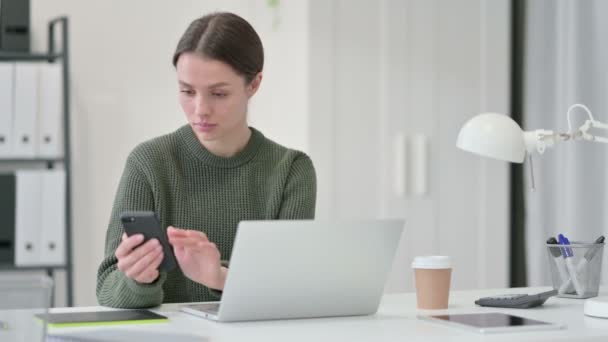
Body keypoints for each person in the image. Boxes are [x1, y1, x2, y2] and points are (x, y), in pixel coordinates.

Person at [96, 12, 317, 308]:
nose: (200, 109)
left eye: (218, 93)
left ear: (254, 85)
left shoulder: (290, 171)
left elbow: (291, 290)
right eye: (187, 91)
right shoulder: (148, 163)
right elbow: (108, 289)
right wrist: (139, 279)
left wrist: (220, 277)